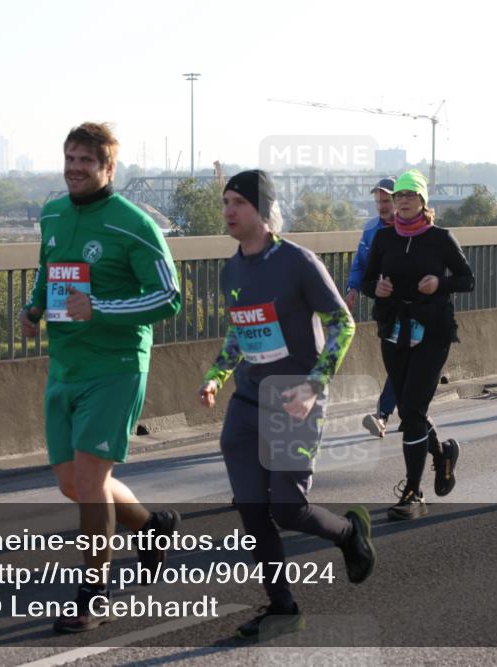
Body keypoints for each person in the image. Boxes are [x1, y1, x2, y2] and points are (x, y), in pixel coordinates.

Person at [197, 169, 376, 640]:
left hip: (295, 397)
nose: (228, 211)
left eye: (238, 202)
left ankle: (348, 533)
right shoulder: (231, 268)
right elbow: (240, 330)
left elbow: (343, 322)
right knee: (253, 508)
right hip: (247, 401)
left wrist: (316, 384)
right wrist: (216, 376)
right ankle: (282, 606)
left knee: (287, 509)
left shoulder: (299, 262)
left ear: (263, 210)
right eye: (226, 202)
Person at [19, 122, 183, 633]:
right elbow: (49, 271)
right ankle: (152, 528)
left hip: (116, 366)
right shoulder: (52, 213)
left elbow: (168, 297)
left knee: (91, 482)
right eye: (70, 158)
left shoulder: (133, 223)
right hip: (66, 364)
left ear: (107, 167)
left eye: (86, 161)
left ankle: (94, 591)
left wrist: (102, 308)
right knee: (73, 483)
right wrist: (33, 310)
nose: (75, 168)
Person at [360, 169, 474, 520]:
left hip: (433, 332)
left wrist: (439, 283)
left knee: (411, 411)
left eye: (410, 195)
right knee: (412, 410)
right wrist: (374, 289)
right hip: (394, 330)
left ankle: (413, 491)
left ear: (423, 201)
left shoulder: (440, 238)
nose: (403, 201)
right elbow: (367, 279)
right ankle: (441, 457)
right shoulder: (383, 239)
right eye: (399, 197)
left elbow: (467, 279)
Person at [345, 177, 398, 438]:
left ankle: (385, 414)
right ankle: (397, 414)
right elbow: (360, 265)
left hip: (418, 309)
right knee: (399, 364)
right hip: (386, 308)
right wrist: (352, 289)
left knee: (405, 365)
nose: (381, 206)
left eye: (386, 200)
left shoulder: (418, 229)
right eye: (377, 201)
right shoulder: (370, 230)